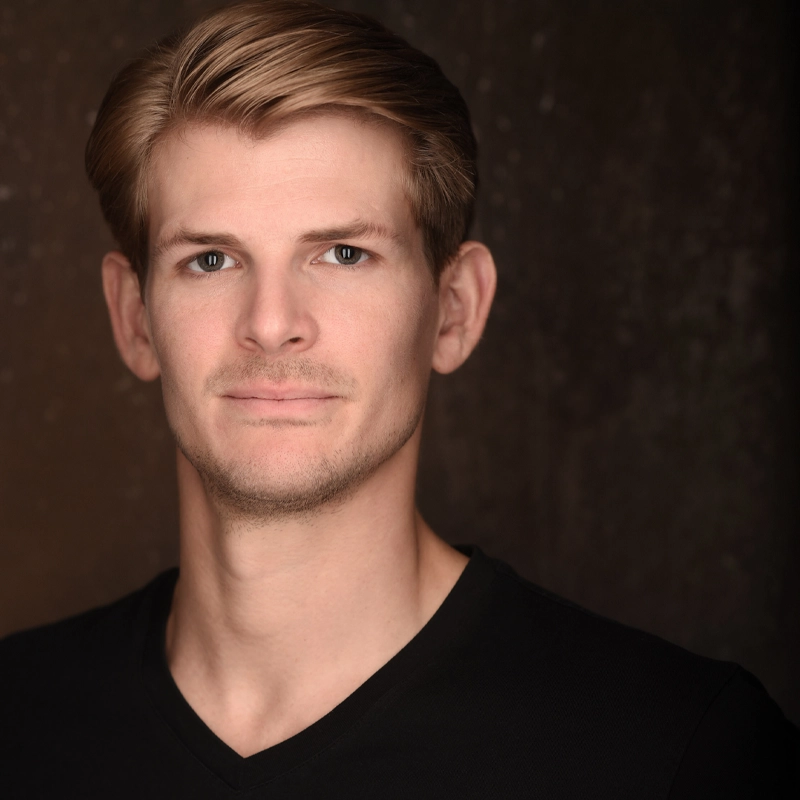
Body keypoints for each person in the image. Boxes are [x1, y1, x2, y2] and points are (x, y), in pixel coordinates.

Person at [1, 1, 797, 796]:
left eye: (343, 254)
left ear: (454, 310)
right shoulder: (17, 722)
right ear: (134, 317)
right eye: (210, 260)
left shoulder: (679, 753)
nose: (271, 324)